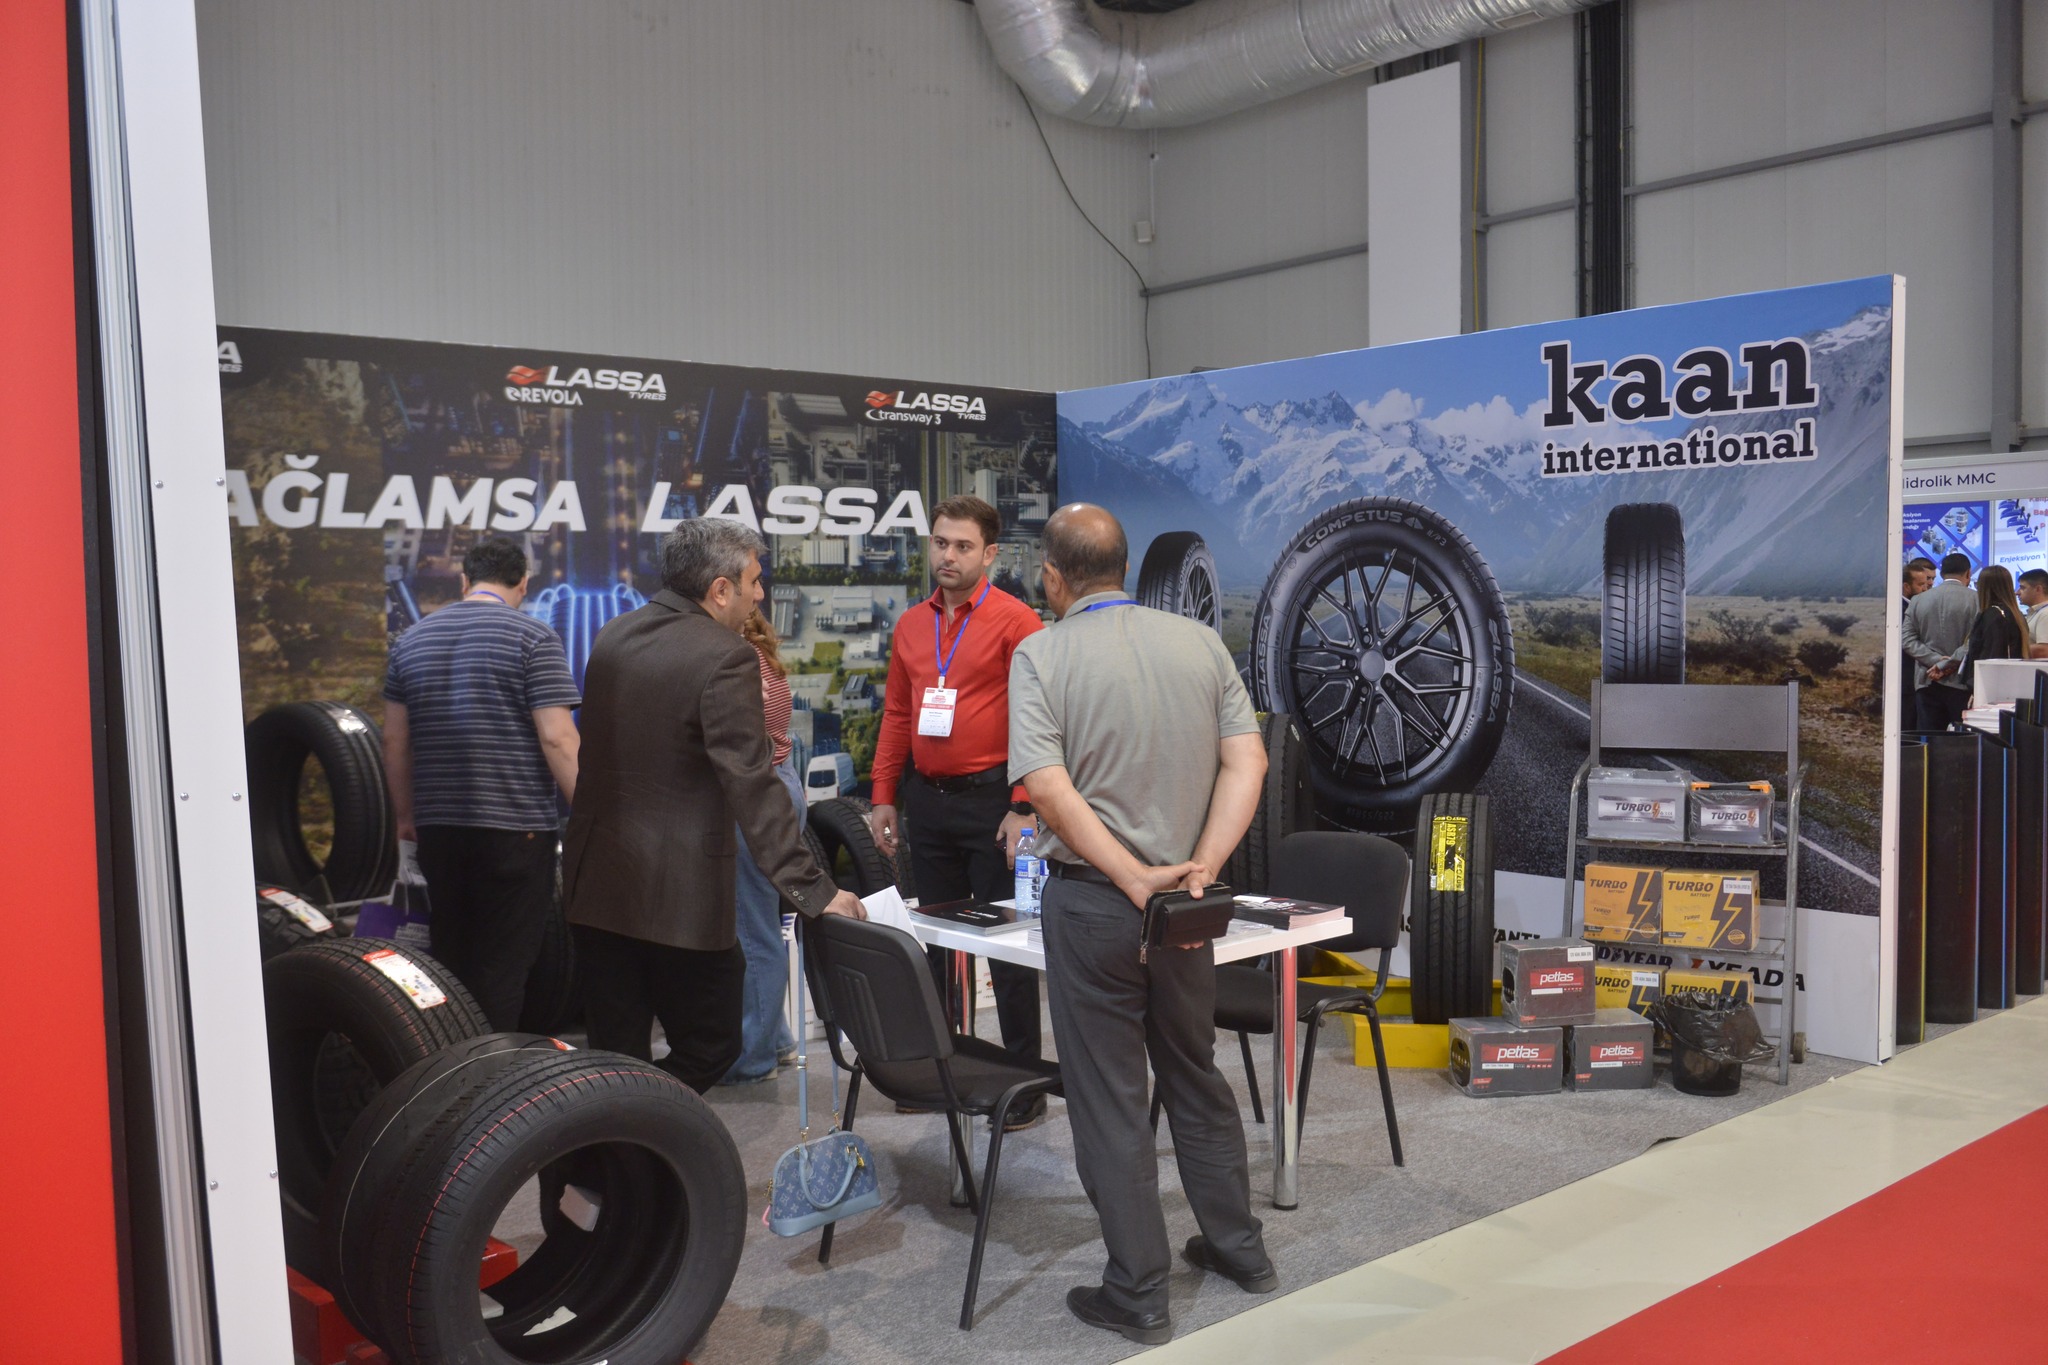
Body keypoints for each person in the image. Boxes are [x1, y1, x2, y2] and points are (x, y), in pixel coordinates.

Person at [1008, 503, 1275, 1346]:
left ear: (1054, 577)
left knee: (1109, 1096)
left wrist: (1128, 875)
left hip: (1095, 903)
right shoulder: (1199, 642)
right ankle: (1239, 1247)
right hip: (1186, 907)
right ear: (1124, 566)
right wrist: (1202, 865)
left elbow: (1046, 787)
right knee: (1194, 1070)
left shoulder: (1041, 652)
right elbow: (1249, 759)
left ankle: (1138, 1289)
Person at [563, 518, 864, 1093]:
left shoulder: (613, 635)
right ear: (720, 589)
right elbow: (753, 786)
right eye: (753, 580)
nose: (759, 594)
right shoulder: (727, 656)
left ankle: (624, 1141)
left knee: (615, 1054)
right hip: (678, 896)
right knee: (713, 1044)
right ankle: (647, 1126)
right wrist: (815, 892)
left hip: (597, 883)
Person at [866, 495, 1048, 1125]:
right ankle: (939, 1077)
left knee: (1009, 947)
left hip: (996, 804)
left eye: (963, 546)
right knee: (937, 947)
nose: (948, 555)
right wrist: (884, 796)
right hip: (929, 802)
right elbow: (897, 713)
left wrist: (1024, 805)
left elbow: (1038, 721)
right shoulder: (912, 626)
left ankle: (1025, 1088)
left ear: (989, 554)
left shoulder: (1017, 623)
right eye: (941, 542)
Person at [382, 536, 580, 1031]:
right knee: (503, 965)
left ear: (465, 581)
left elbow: (395, 741)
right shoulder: (534, 638)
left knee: (449, 958)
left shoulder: (411, 640)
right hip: (516, 829)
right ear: (523, 584)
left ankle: (449, 1061)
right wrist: (590, 813)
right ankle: (491, 1073)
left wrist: (405, 817)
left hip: (439, 828)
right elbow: (557, 738)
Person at [720, 607, 802, 1085]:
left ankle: (752, 1059)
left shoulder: (737, 659)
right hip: (781, 784)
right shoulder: (755, 653)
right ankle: (777, 1039)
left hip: (758, 795)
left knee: (753, 932)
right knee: (763, 922)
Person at [1903, 552, 1979, 731]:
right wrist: (1948, 663)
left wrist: (1936, 661)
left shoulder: (1918, 600)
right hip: (1962, 682)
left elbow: (1907, 640)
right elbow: (1976, 639)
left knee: (1928, 739)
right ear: (1968, 573)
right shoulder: (1977, 599)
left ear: (1942, 573)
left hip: (1927, 680)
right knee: (1962, 739)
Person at [1961, 564, 2027, 692]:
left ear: (1984, 587)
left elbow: (1991, 655)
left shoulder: (1993, 615)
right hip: (2009, 682)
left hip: (1990, 686)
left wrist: (1976, 685)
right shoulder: (2016, 614)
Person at [1899, 557, 1935, 725]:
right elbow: (1908, 643)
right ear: (1907, 586)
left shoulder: (1917, 607)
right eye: (1921, 584)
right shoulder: (1898, 610)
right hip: (1905, 682)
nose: (1926, 588)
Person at [2016, 568, 2048, 660]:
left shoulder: (2045, 614)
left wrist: (2010, 650)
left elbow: (2044, 651)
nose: (2017, 592)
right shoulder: (2037, 613)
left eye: (2022, 588)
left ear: (2038, 589)